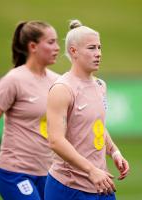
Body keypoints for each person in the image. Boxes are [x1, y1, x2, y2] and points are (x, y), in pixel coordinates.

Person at [0, 20, 60, 200]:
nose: (57, 48)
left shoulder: (58, 81)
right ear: (33, 46)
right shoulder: (13, 80)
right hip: (14, 172)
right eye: (51, 42)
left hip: (48, 173)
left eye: (57, 42)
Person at [45, 19, 130, 200]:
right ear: (73, 51)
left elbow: (97, 126)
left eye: (99, 47)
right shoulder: (62, 89)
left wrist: (114, 151)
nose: (98, 53)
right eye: (91, 48)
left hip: (101, 183)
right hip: (69, 187)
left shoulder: (100, 85)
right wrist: (91, 170)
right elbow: (55, 141)